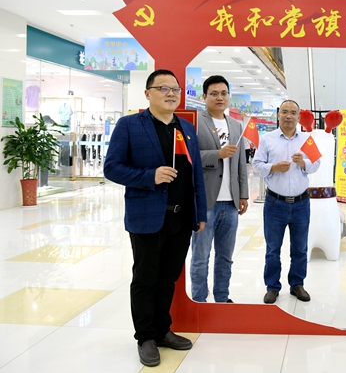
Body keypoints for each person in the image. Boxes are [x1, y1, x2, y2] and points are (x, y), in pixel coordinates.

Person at [104, 69, 207, 367]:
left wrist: (199, 212)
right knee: (146, 278)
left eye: (175, 89)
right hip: (147, 216)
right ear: (148, 93)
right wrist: (151, 176)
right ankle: (146, 337)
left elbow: (195, 175)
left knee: (168, 279)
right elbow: (112, 168)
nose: (171, 93)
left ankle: (163, 331)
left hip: (181, 218)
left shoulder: (186, 129)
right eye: (163, 88)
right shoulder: (129, 126)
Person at [252, 100, 321, 304]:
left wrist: (303, 163)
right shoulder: (268, 139)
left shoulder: (307, 139)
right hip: (275, 203)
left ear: (299, 117)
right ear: (278, 115)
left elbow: (316, 163)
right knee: (273, 249)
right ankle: (272, 287)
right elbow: (257, 165)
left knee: (300, 248)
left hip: (301, 204)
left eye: (293, 112)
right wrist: (274, 167)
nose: (288, 116)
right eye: (284, 112)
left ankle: (297, 284)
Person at [190, 75, 248, 303]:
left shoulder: (236, 125)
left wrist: (243, 194)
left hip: (231, 203)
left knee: (225, 256)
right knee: (200, 257)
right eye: (214, 94)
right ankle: (199, 300)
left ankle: (222, 298)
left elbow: (240, 163)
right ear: (204, 96)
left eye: (224, 93)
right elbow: (190, 157)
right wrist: (218, 154)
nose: (220, 97)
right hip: (205, 202)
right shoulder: (195, 123)